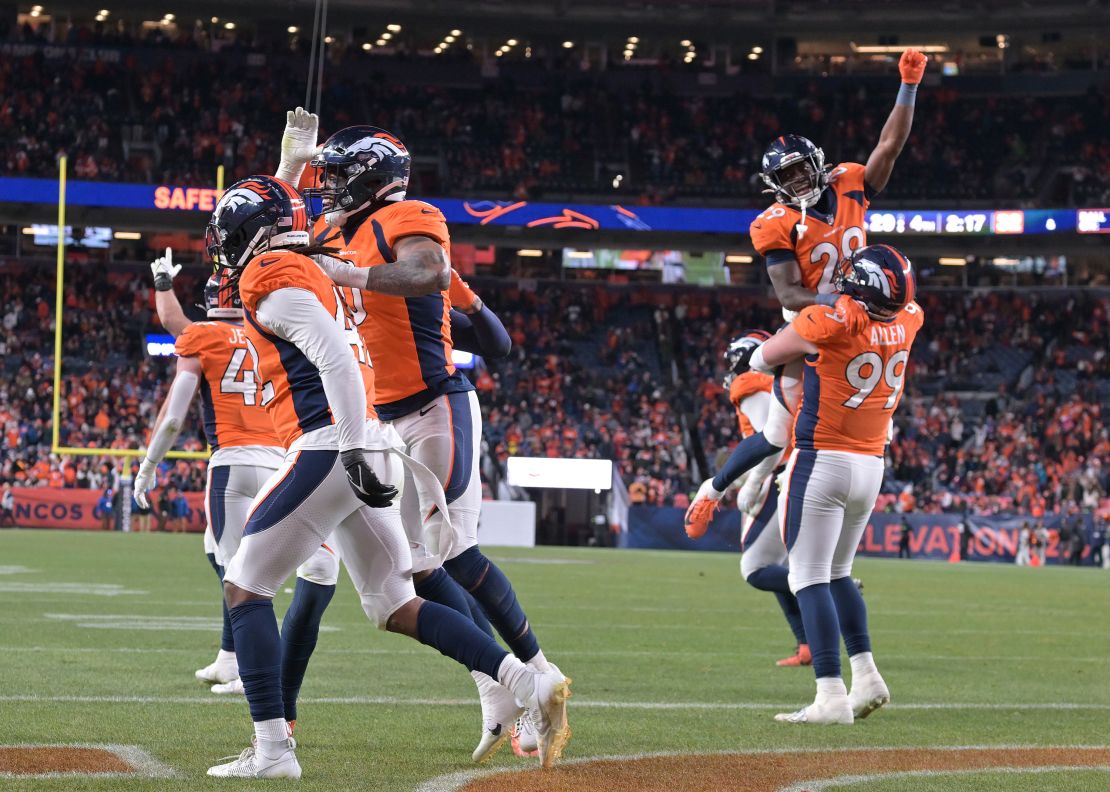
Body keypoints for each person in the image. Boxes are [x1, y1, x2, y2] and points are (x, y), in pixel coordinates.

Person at [203, 175, 569, 779]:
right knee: (393, 602)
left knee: (245, 587)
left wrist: (347, 448)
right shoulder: (315, 266)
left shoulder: (269, 274)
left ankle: (272, 751)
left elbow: (337, 359)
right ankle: (523, 682)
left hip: (329, 443)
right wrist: (292, 162)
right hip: (365, 438)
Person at [290, 119, 558, 762]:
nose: (329, 188)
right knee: (414, 562)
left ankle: (540, 675)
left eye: (336, 175)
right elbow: (289, 234)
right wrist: (291, 164)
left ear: (371, 179)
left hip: (436, 408)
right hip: (383, 420)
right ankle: (496, 684)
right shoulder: (334, 231)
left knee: (452, 551)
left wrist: (348, 276)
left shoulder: (410, 216)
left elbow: (429, 276)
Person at [685, 48, 928, 535]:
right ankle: (715, 491)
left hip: (867, 316)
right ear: (774, 185)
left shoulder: (851, 182)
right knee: (779, 432)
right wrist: (841, 304)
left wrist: (908, 87)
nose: (797, 180)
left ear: (818, 162)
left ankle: (819, 527)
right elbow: (792, 294)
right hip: (816, 320)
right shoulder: (774, 224)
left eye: (801, 169)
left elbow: (890, 146)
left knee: (876, 417)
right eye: (786, 176)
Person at [141, 250, 337, 697]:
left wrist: (148, 465)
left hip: (232, 463)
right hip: (284, 458)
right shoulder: (270, 330)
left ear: (211, 299)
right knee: (221, 551)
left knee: (243, 579)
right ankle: (230, 658)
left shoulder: (203, 337)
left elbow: (173, 410)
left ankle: (252, 674)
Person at [746, 243, 922, 725]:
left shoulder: (829, 322)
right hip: (871, 464)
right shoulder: (911, 319)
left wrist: (819, 306)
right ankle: (867, 675)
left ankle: (830, 694)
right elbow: (891, 309)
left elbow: (762, 358)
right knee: (840, 572)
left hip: (822, 458)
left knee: (807, 576)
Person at [688, 329, 811, 668]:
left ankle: (827, 585)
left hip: (778, 475)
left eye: (733, 359)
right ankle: (806, 645)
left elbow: (773, 439)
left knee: (755, 569)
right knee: (778, 568)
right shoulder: (777, 381)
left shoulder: (749, 383)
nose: (731, 367)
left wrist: (754, 481)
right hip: (792, 472)